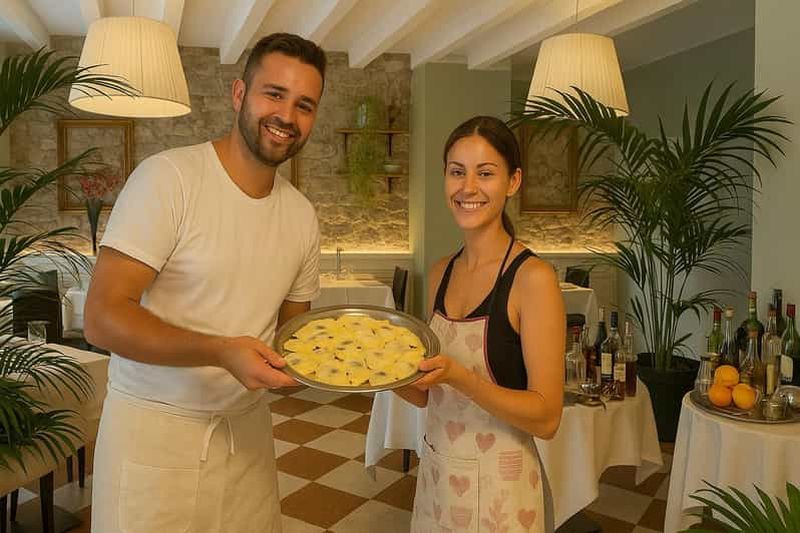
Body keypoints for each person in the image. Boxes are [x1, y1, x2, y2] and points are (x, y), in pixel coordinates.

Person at [84, 33, 326, 533]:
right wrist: (220, 351)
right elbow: (102, 317)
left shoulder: (302, 217)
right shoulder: (168, 179)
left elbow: (295, 340)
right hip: (154, 432)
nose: (287, 116)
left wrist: (367, 364)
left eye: (304, 104)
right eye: (273, 94)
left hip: (248, 439)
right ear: (239, 94)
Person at [397, 116, 565, 533]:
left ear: (513, 181)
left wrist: (462, 378)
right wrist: (372, 370)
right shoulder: (440, 273)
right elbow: (424, 396)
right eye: (457, 172)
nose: (467, 188)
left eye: (485, 173)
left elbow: (546, 418)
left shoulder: (532, 279)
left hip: (502, 495)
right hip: (437, 480)